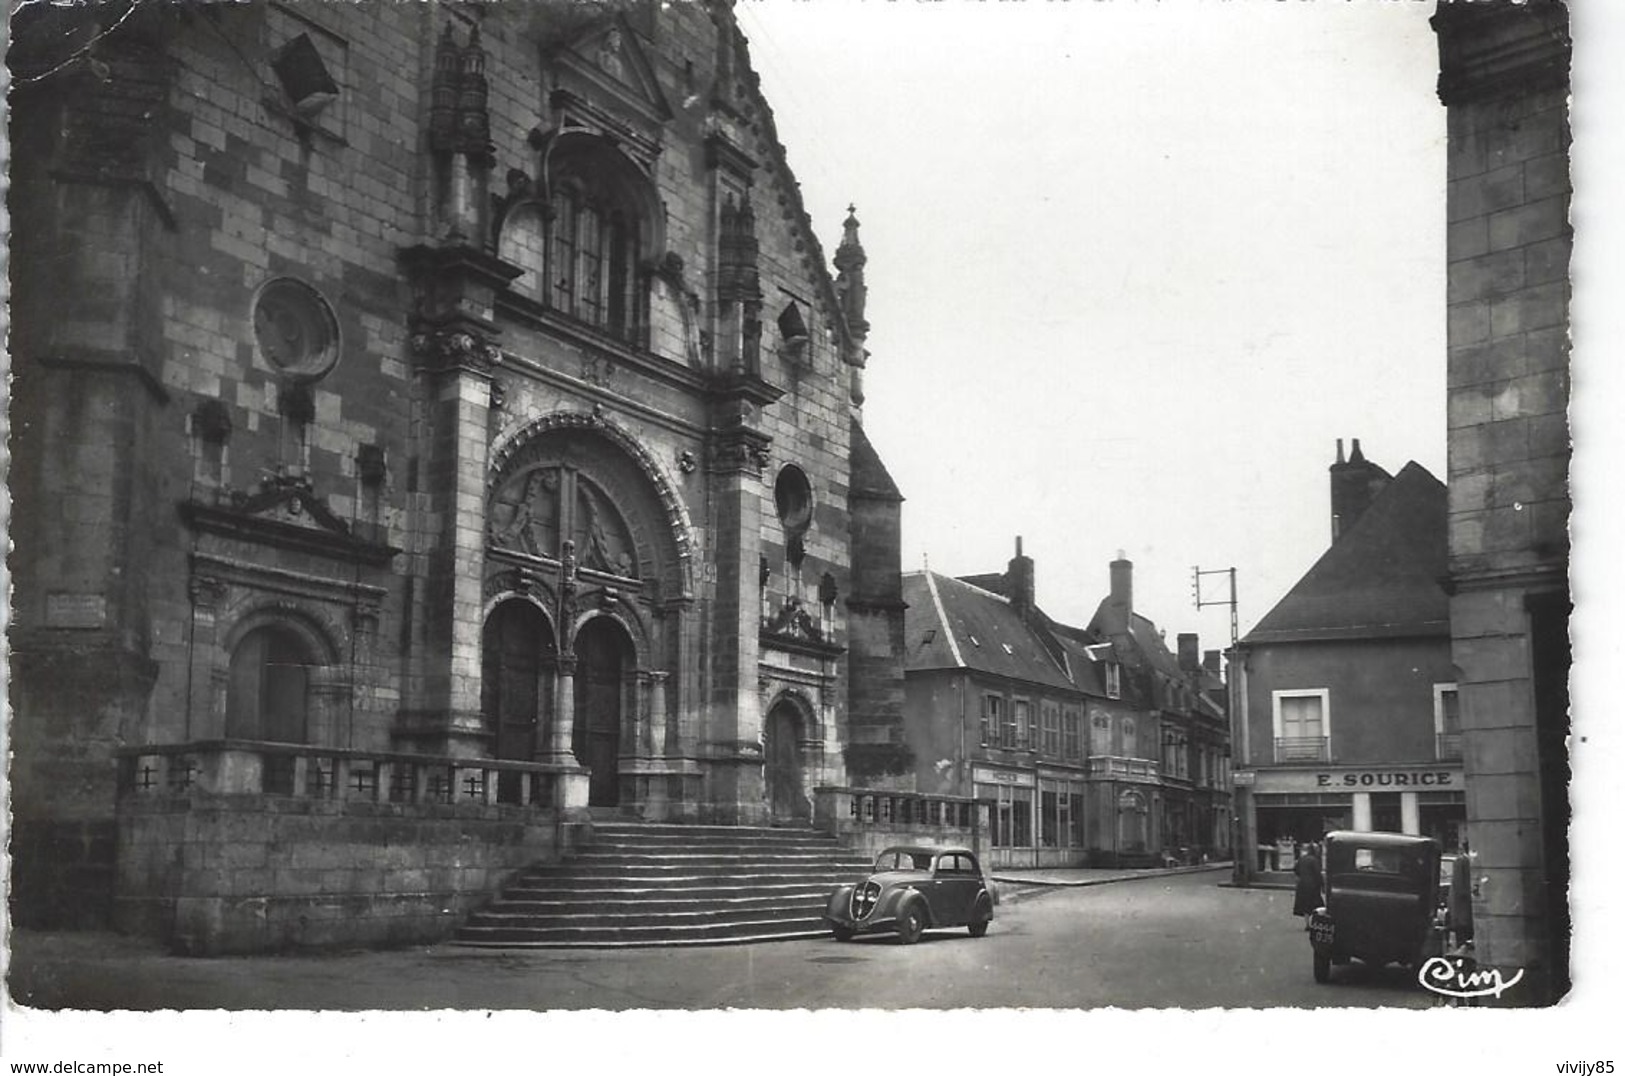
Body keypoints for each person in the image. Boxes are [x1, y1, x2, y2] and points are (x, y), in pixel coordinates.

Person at [1293, 840, 1323, 926]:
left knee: (1305, 904)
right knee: (1316, 904)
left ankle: (1307, 923)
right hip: (1312, 884)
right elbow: (1317, 873)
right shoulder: (1315, 860)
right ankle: (1315, 922)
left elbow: (1296, 870)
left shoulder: (1302, 859)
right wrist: (1322, 884)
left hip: (1302, 884)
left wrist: (1301, 876)